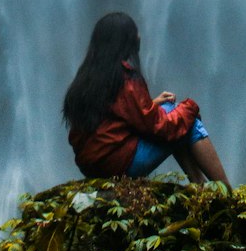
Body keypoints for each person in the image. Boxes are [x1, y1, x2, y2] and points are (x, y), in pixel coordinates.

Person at [62, 11, 231, 188]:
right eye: (135, 32)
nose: (139, 36)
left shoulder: (86, 78)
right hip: (119, 164)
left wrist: (153, 104)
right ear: (124, 40)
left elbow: (112, 118)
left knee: (173, 116)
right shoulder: (124, 78)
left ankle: (200, 186)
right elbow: (161, 128)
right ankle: (228, 194)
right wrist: (190, 107)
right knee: (187, 122)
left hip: (94, 166)